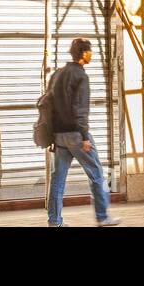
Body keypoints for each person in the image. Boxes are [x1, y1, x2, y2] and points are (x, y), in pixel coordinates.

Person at [46, 38, 119, 227]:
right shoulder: (80, 76)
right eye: (90, 51)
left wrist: (52, 135)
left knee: (58, 179)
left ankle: (54, 221)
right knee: (97, 174)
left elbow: (48, 106)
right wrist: (85, 137)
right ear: (84, 53)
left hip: (59, 135)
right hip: (76, 135)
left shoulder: (57, 74)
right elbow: (80, 109)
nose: (91, 54)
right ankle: (102, 216)